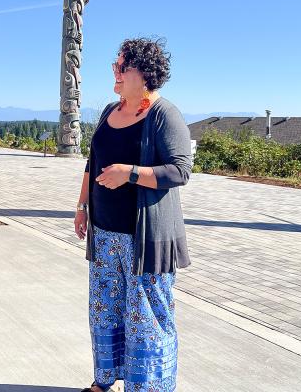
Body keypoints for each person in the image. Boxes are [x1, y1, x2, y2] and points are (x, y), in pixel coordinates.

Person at [74, 37, 192, 392]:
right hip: (105, 233)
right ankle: (105, 379)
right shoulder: (111, 109)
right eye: (116, 64)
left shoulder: (163, 114)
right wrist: (82, 207)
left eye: (122, 65)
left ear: (144, 73)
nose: (115, 70)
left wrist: (130, 172)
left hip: (146, 239)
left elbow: (180, 170)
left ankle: (149, 388)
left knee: (147, 318)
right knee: (105, 311)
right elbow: (92, 161)